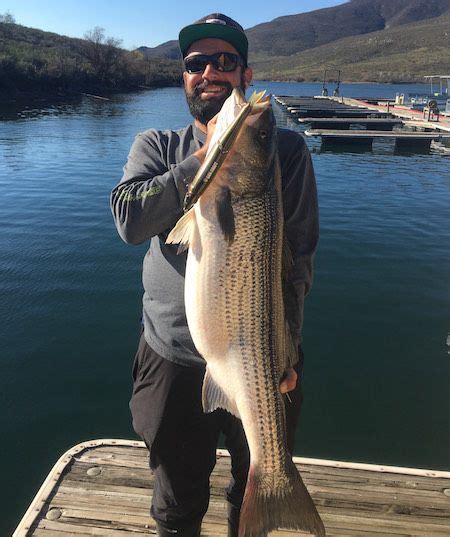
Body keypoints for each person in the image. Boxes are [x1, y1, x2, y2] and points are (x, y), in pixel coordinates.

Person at [110, 13, 319, 537]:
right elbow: (130, 220)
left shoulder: (284, 152)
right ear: (183, 77)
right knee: (177, 500)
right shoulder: (156, 146)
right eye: (196, 63)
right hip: (170, 358)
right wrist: (211, 158)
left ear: (246, 75)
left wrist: (288, 346)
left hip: (260, 353)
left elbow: (298, 257)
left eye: (225, 62)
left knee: (251, 481)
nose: (210, 72)